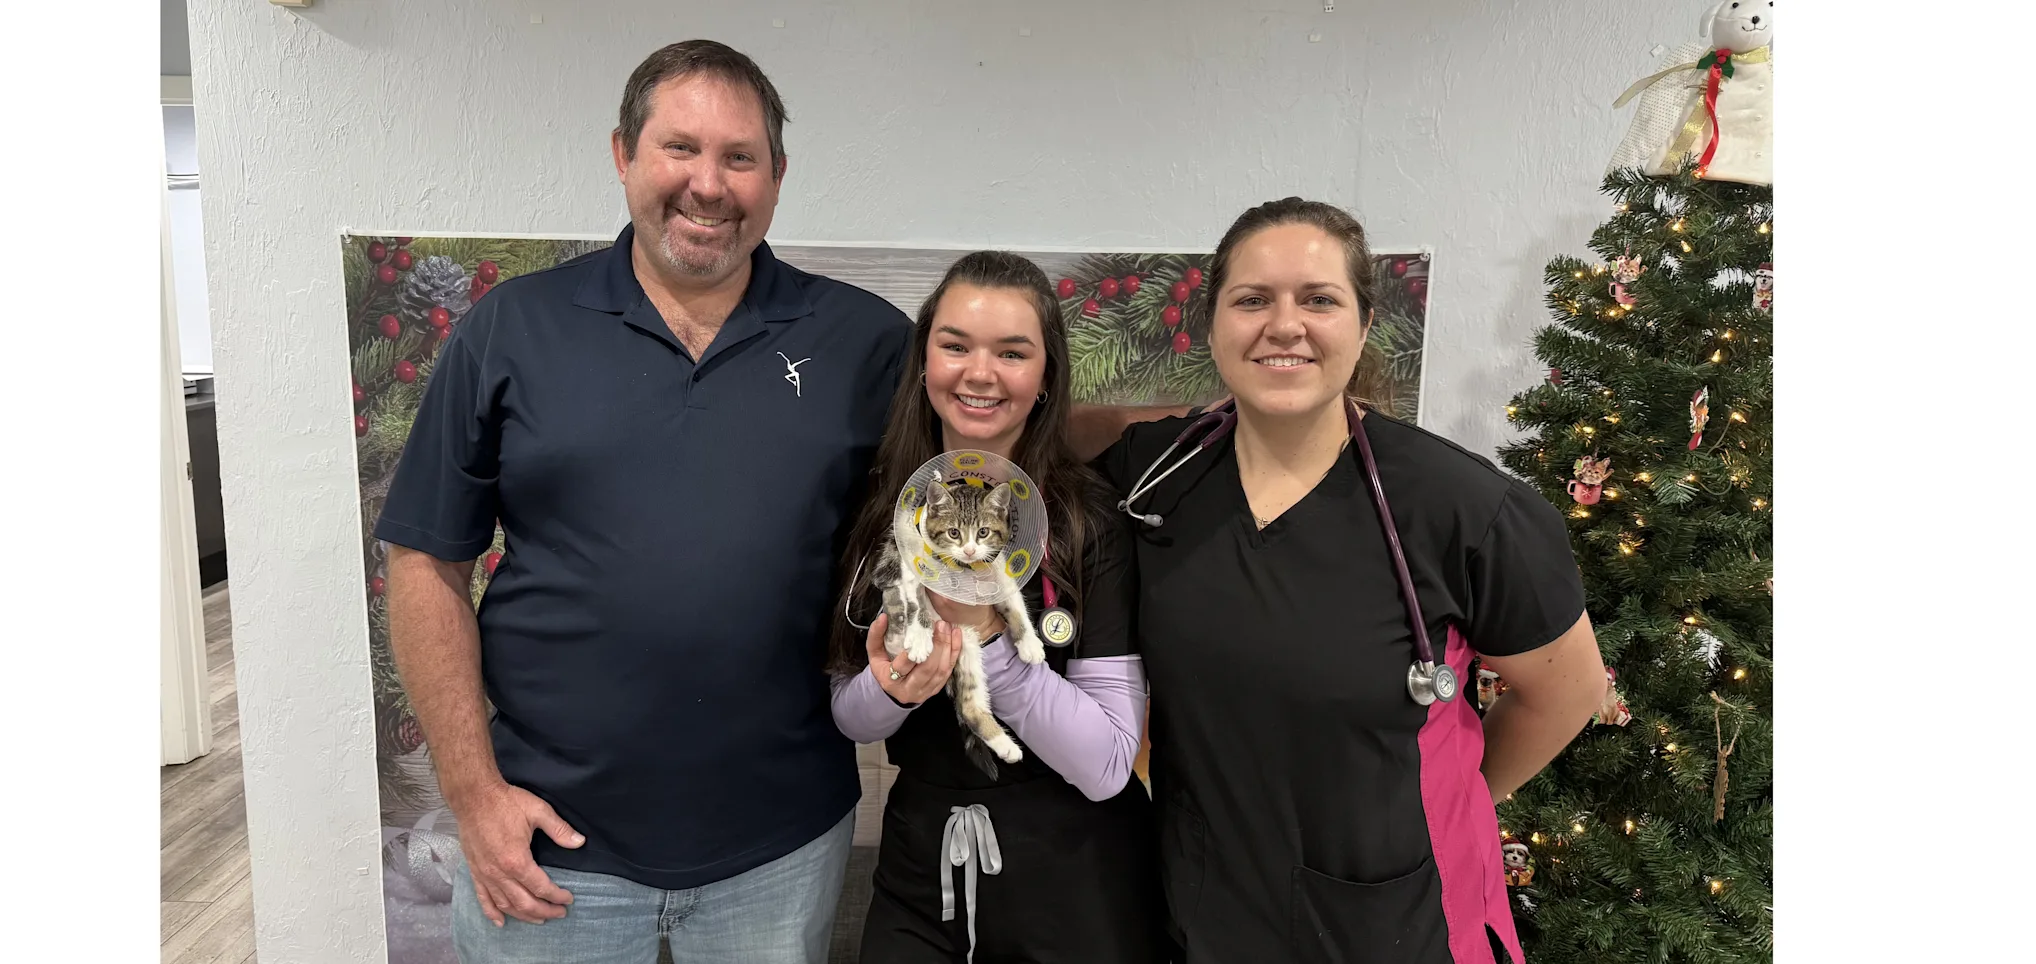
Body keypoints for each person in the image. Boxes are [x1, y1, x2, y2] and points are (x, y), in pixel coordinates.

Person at [377, 39, 1177, 963]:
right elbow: (425, 559)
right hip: (553, 848)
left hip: (779, 851)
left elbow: (988, 418)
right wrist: (473, 794)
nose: (708, 184)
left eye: (739, 157)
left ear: (778, 176)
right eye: (681, 148)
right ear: (622, 154)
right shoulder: (509, 330)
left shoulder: (862, 340)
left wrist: (1244, 415)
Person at [1092, 198, 1609, 964]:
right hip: (1201, 907)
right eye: (1253, 299)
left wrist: (1449, 801)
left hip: (1393, 919)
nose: (1284, 324)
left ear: (1364, 325)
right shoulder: (1151, 476)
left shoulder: (1464, 509)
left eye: (1319, 299)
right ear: (1213, 324)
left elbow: (1566, 693)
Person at [827, 251, 1169, 963]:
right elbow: (848, 714)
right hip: (922, 869)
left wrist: (984, 643)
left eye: (1012, 352)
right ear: (924, 363)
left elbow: (1108, 763)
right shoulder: (876, 511)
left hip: (1079, 878)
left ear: (1045, 376)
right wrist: (891, 688)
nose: (979, 374)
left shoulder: (1088, 524)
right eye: (955, 346)